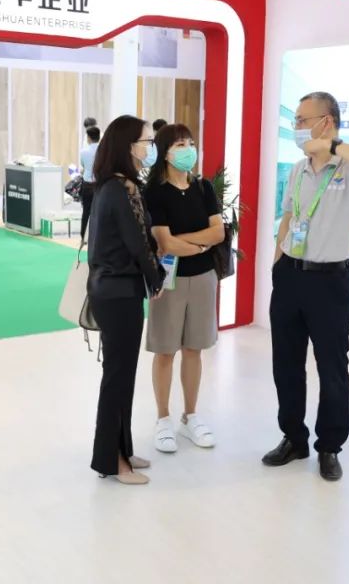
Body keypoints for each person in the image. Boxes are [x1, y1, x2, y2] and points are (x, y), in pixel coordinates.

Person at [264, 91, 349, 482]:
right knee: (286, 363)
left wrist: (332, 147)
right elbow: (288, 217)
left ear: (326, 122)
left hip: (331, 281)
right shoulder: (298, 169)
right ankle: (293, 437)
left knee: (332, 368)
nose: (296, 127)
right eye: (296, 120)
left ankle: (329, 446)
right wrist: (278, 263)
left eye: (302, 120)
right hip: (290, 275)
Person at [86, 115, 164, 485]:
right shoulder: (121, 189)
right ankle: (112, 461)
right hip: (118, 293)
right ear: (128, 146)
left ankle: (123, 449)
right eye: (147, 141)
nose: (151, 147)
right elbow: (139, 243)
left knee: (122, 375)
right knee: (117, 377)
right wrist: (156, 277)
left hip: (114, 290)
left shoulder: (112, 186)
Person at [143, 124, 224, 453]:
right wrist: (199, 243)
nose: (188, 149)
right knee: (165, 350)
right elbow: (164, 243)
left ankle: (190, 416)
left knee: (194, 348)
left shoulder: (203, 187)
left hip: (204, 277)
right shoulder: (155, 192)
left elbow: (218, 233)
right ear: (165, 151)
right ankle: (163, 418)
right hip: (169, 279)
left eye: (190, 143)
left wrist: (184, 242)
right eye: (180, 144)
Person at [79, 125, 101, 241]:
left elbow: (83, 165)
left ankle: (83, 236)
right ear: (99, 137)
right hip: (100, 185)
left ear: (88, 138)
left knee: (86, 211)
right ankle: (97, 237)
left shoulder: (84, 152)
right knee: (99, 212)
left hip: (87, 185)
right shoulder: (104, 151)